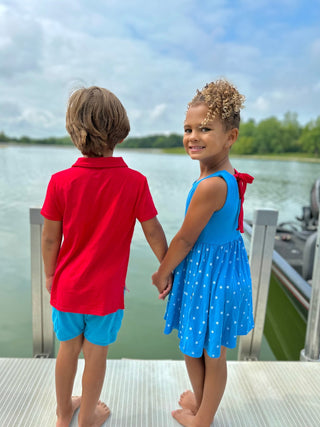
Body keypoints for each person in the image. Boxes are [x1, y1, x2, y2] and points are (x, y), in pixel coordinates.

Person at [41, 86, 169, 427]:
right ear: (121, 132)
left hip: (67, 288)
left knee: (67, 350)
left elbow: (50, 238)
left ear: (73, 130)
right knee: (96, 354)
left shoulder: (60, 182)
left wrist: (50, 275)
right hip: (106, 293)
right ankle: (89, 417)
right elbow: (153, 231)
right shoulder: (134, 182)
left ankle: (63, 413)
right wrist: (168, 267)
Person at [152, 79, 254, 427]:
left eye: (205, 129)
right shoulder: (225, 175)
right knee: (201, 346)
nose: (193, 136)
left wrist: (162, 271)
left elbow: (183, 240)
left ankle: (203, 417)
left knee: (207, 352)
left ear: (231, 137)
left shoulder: (210, 186)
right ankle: (201, 400)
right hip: (220, 272)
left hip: (210, 276)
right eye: (188, 129)